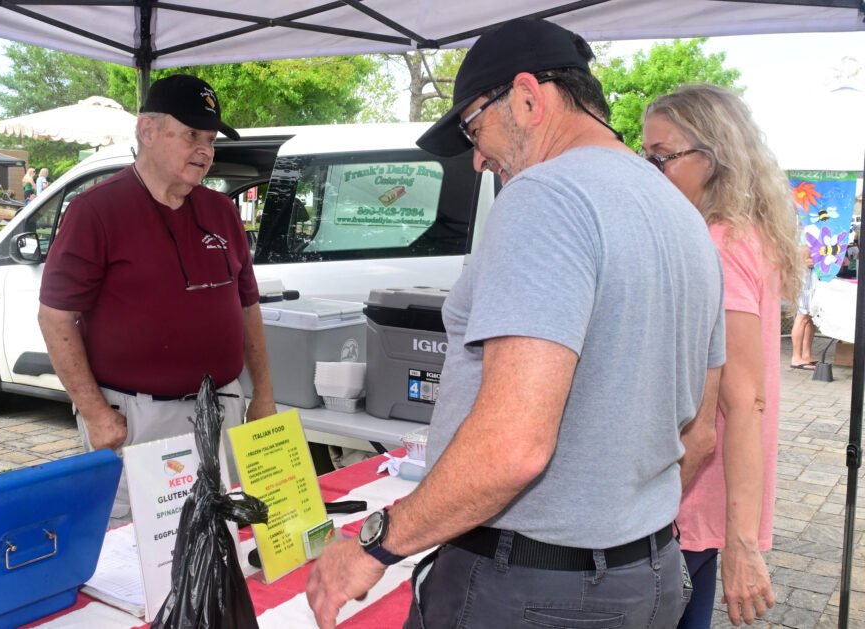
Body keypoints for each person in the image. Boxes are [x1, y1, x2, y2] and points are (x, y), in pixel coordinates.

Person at [307, 18, 725, 629]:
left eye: (475, 128)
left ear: (529, 98)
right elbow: (701, 433)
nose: (477, 158)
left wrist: (376, 543)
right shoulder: (681, 214)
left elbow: (514, 445)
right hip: (649, 574)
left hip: (531, 586)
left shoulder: (544, 196)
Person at [38, 74, 276, 526]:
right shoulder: (96, 212)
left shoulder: (222, 212)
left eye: (210, 140)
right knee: (130, 546)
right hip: (134, 417)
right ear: (147, 131)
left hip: (221, 408)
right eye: (191, 136)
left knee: (218, 533)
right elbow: (55, 318)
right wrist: (95, 414)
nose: (205, 151)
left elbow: (248, 308)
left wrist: (263, 395)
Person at [643, 84, 801, 627]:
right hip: (701, 496)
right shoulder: (744, 234)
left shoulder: (718, 244)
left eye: (662, 157)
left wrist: (742, 542)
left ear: (712, 157)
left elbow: (743, 398)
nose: (651, 170)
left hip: (689, 494)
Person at [790, 250, 818, 369]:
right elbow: (804, 261)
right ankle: (796, 357)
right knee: (802, 316)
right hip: (806, 280)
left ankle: (806, 355)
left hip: (813, 279)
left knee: (810, 317)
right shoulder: (807, 233)